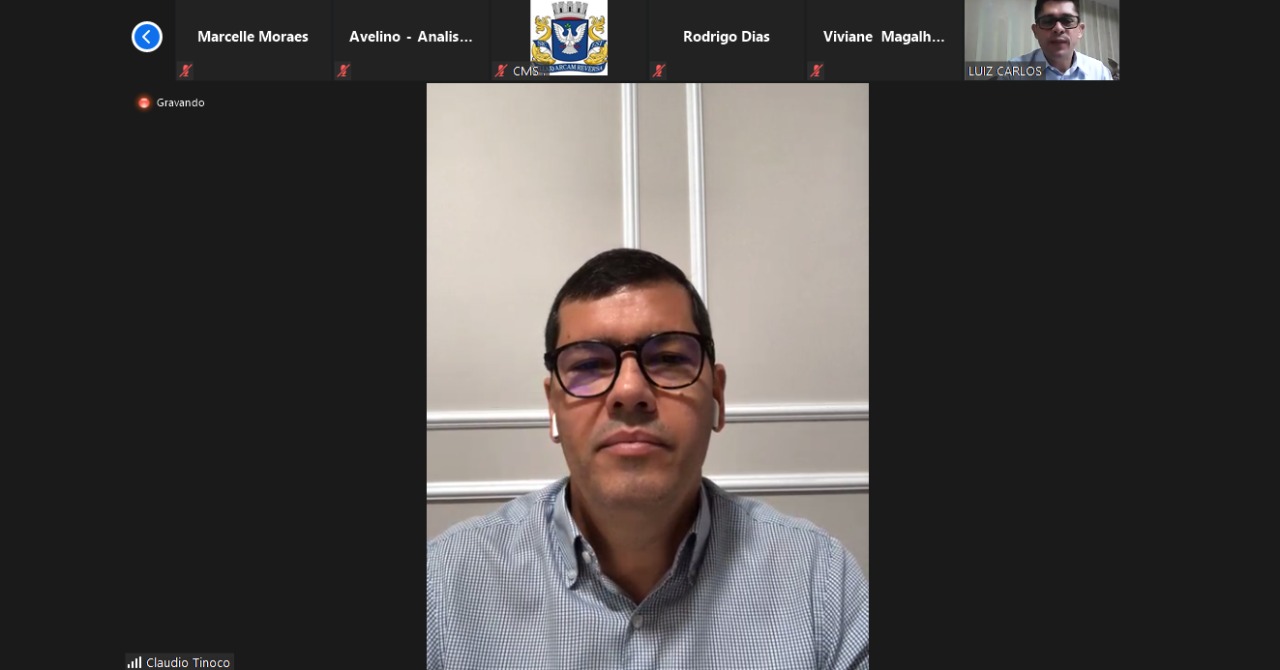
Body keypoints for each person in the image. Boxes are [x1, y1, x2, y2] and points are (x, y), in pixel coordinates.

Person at [426, 248, 870, 669]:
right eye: (588, 365)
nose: (629, 391)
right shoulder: (445, 586)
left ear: (717, 395)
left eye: (669, 358)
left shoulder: (819, 581)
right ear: (553, 406)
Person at [1006, 0, 1113, 80]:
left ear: (1080, 30)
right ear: (1035, 31)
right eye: (1047, 21)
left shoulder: (1099, 72)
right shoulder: (1013, 71)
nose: (1058, 28)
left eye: (1067, 20)